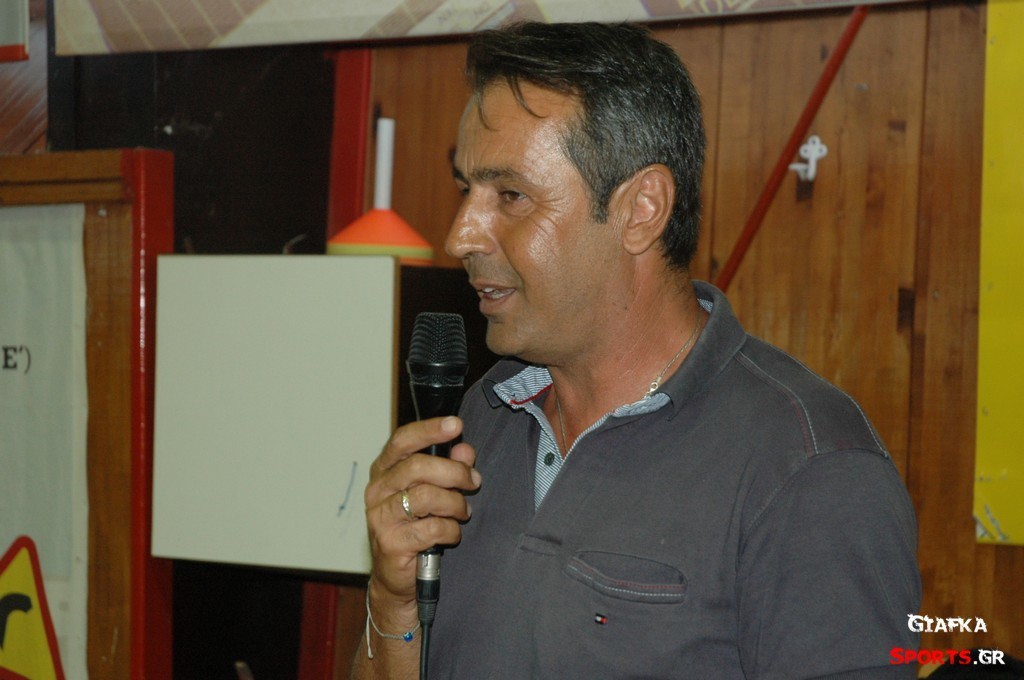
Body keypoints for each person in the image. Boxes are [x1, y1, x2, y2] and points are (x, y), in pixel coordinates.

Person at [355, 21, 921, 679]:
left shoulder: (809, 468)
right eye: (466, 190)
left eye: (510, 195)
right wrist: (392, 600)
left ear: (642, 209)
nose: (461, 235)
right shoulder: (477, 420)